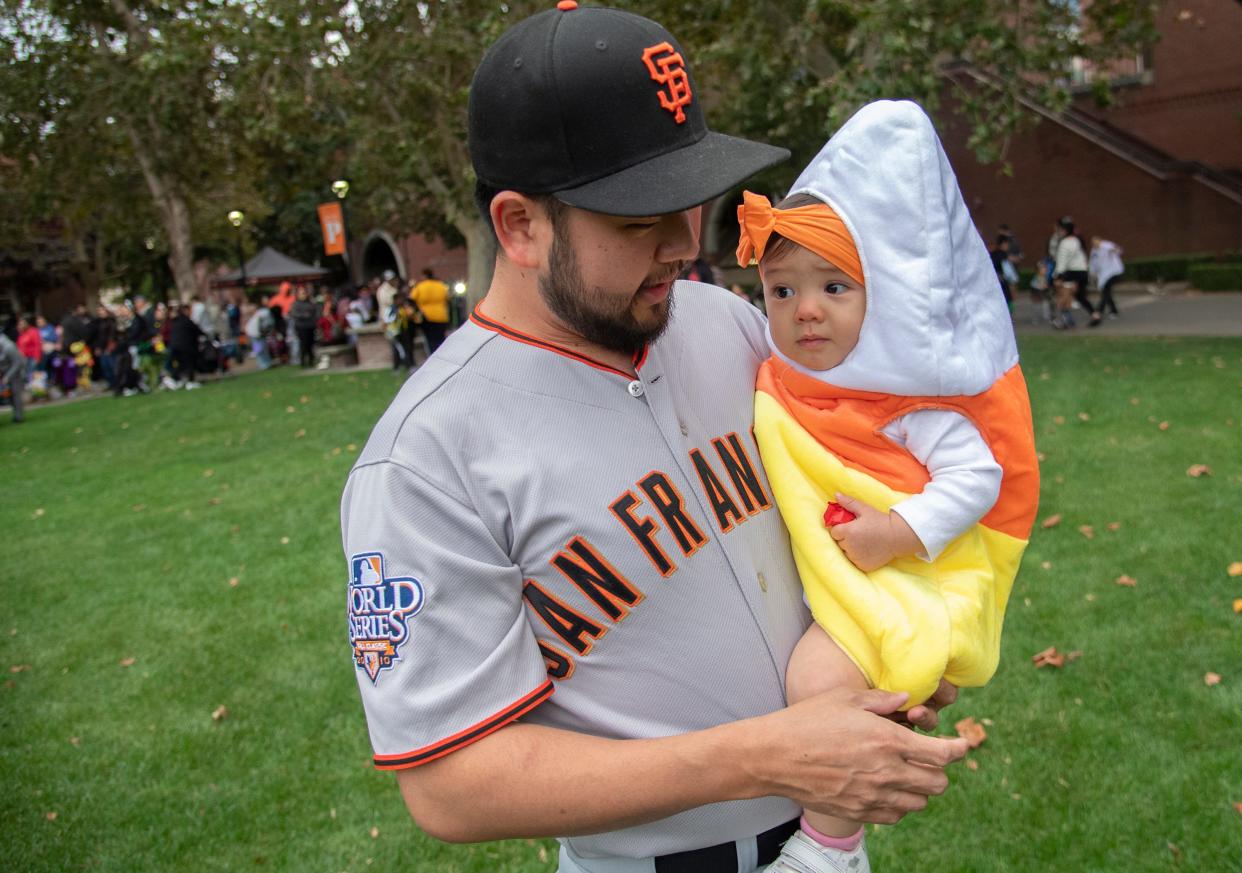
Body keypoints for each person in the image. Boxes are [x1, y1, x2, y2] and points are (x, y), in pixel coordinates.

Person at [342, 7, 968, 873]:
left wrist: (888, 640)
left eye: (692, 198)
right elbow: (451, 783)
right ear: (520, 226)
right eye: (638, 220)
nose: (685, 244)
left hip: (832, 840)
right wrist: (767, 752)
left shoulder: (730, 324)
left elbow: (850, 489)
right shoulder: (427, 456)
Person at [737, 100, 1040, 872]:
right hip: (839, 571)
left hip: (906, 572)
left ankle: (829, 844)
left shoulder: (906, 404)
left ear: (881, 298)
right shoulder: (785, 381)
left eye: (835, 288)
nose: (805, 310)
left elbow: (977, 475)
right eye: (781, 291)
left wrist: (898, 531)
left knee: (818, 679)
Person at [1053, 216, 1097, 327]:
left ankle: (1066, 321)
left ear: (1065, 230)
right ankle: (1095, 314)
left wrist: (1057, 276)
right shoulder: (1077, 240)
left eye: (1061, 229)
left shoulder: (1064, 243)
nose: (1059, 232)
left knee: (1064, 296)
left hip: (1071, 273)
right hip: (1082, 272)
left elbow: (1062, 261)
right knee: (1080, 296)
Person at [409, 267, 450, 354]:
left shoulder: (420, 286)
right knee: (441, 339)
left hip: (427, 316)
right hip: (441, 315)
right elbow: (448, 298)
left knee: (430, 340)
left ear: (424, 275)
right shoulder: (441, 285)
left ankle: (432, 356)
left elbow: (412, 299)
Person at [1089, 237, 1123, 320]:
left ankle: (1098, 311)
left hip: (1113, 272)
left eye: (1096, 242)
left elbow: (1117, 250)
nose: (1095, 244)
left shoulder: (1107, 245)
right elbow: (1093, 263)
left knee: (1105, 292)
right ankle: (1113, 311)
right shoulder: (1094, 251)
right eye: (1093, 243)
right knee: (1106, 293)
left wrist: (1115, 250)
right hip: (1103, 275)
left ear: (1100, 241)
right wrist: (1092, 273)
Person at [289, 285, 320, 368]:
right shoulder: (296, 304)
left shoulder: (310, 303)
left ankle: (311, 360)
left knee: (311, 344)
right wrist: (304, 315)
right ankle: (303, 361)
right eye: (302, 293)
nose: (304, 295)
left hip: (310, 326)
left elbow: (316, 313)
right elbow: (294, 314)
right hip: (301, 327)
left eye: (304, 293)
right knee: (303, 344)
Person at [0, 330, 26, 423]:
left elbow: (17, 363)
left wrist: (7, 376)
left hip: (16, 372)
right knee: (10, 396)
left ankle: (19, 417)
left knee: (16, 394)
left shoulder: (9, 346)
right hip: (5, 372)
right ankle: (15, 414)